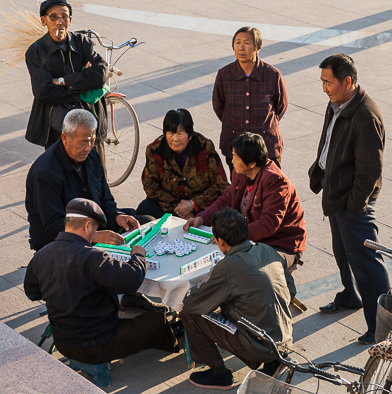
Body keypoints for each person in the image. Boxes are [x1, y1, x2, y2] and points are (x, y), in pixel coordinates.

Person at [25, 109, 163, 311]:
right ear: (65, 138)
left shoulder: (92, 156)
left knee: (143, 221)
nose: (88, 147)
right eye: (83, 141)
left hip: (93, 226)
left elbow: (105, 199)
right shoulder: (45, 172)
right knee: (98, 259)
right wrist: (95, 236)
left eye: (91, 140)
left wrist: (117, 217)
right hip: (61, 241)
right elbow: (53, 225)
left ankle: (133, 293)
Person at [24, 198, 180, 365]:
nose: (95, 233)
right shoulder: (93, 257)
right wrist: (138, 257)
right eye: (96, 228)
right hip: (97, 344)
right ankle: (175, 347)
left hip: (62, 341)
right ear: (87, 226)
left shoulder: (41, 255)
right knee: (157, 320)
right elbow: (131, 280)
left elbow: (33, 292)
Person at [308, 54, 390, 344]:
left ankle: (382, 327)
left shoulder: (365, 116)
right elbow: (329, 142)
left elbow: (370, 171)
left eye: (328, 82)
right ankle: (349, 295)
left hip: (352, 201)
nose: (324, 88)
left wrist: (355, 205)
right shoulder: (337, 104)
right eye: (322, 82)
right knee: (343, 253)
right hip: (336, 192)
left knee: (367, 263)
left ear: (348, 81)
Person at [180, 207, 295, 389]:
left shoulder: (227, 268)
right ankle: (275, 359)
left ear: (221, 242)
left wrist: (206, 281)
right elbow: (291, 290)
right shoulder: (267, 250)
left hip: (258, 345)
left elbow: (193, 304)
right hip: (285, 336)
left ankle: (219, 374)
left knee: (188, 313)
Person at [184, 132, 306, 269]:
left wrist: (232, 235)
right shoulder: (240, 172)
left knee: (245, 269)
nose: (232, 161)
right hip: (253, 237)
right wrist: (201, 218)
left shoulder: (275, 180)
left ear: (252, 163)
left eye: (236, 157)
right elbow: (227, 199)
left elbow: (269, 223)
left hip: (281, 243)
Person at [25, 0, 109, 157]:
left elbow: (101, 74)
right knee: (61, 175)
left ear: (70, 20)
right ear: (44, 21)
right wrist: (83, 84)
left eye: (64, 16)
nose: (59, 21)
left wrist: (65, 81)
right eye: (53, 17)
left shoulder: (82, 42)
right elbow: (43, 91)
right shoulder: (36, 51)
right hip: (58, 125)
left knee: (95, 174)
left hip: (89, 119)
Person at [212, 26, 288, 175]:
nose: (241, 47)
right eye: (237, 42)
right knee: (239, 190)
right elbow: (218, 106)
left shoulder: (272, 75)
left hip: (267, 144)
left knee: (270, 189)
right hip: (235, 143)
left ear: (257, 48)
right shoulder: (224, 75)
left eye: (246, 43)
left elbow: (281, 106)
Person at [137, 108, 229, 220]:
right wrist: (180, 209)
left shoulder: (205, 147)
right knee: (145, 208)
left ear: (190, 135)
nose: (175, 139)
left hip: (202, 206)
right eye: (170, 133)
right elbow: (150, 187)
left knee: (225, 213)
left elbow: (221, 185)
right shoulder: (154, 150)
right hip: (171, 207)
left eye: (180, 133)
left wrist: (192, 205)